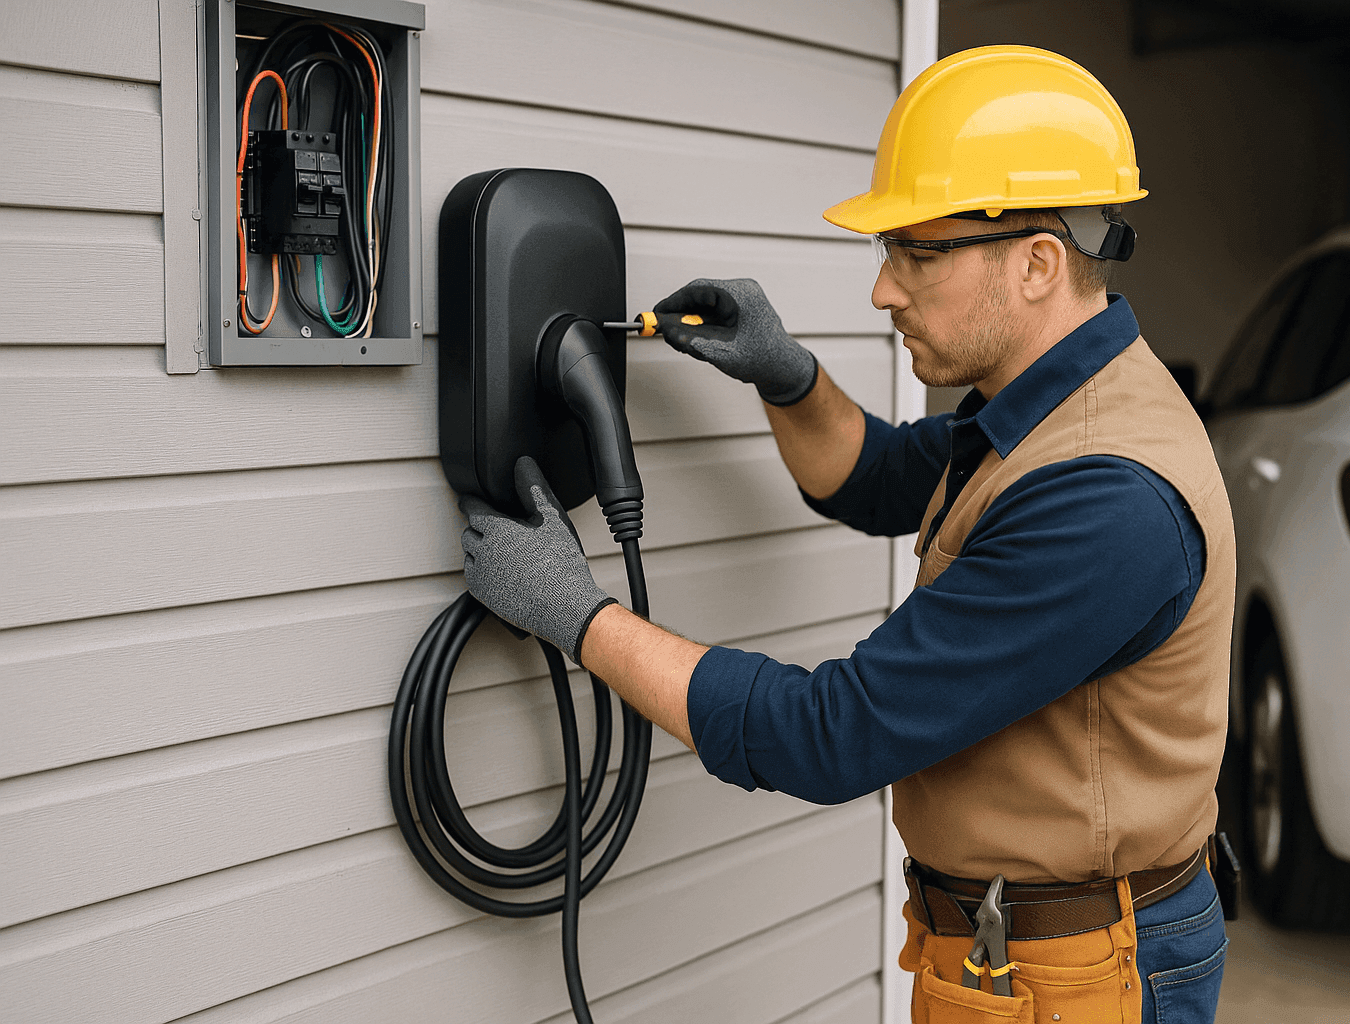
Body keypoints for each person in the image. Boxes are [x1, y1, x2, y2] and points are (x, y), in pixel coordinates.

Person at [458, 45, 1236, 1024]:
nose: (884, 290)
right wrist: (786, 377)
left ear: (1037, 262)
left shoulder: (1106, 502)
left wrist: (580, 614)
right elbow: (881, 477)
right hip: (1023, 949)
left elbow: (835, 735)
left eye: (917, 253)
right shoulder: (1047, 404)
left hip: (1078, 978)